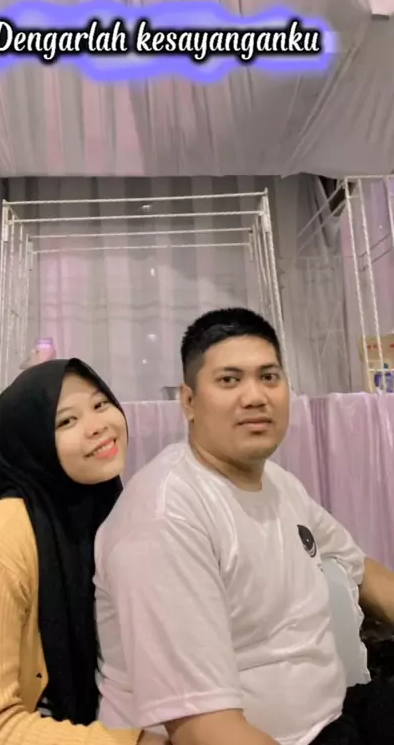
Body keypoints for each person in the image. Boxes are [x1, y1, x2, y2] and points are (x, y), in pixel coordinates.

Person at [94, 308, 394, 745]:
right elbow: (202, 728)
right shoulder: (165, 516)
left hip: (333, 716)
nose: (255, 396)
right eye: (229, 380)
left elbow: (362, 569)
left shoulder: (281, 484)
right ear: (189, 401)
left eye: (269, 377)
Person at [0, 358, 165, 745]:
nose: (97, 426)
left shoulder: (107, 511)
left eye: (100, 405)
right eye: (66, 421)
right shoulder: (1, 540)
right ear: (31, 444)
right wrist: (135, 742)